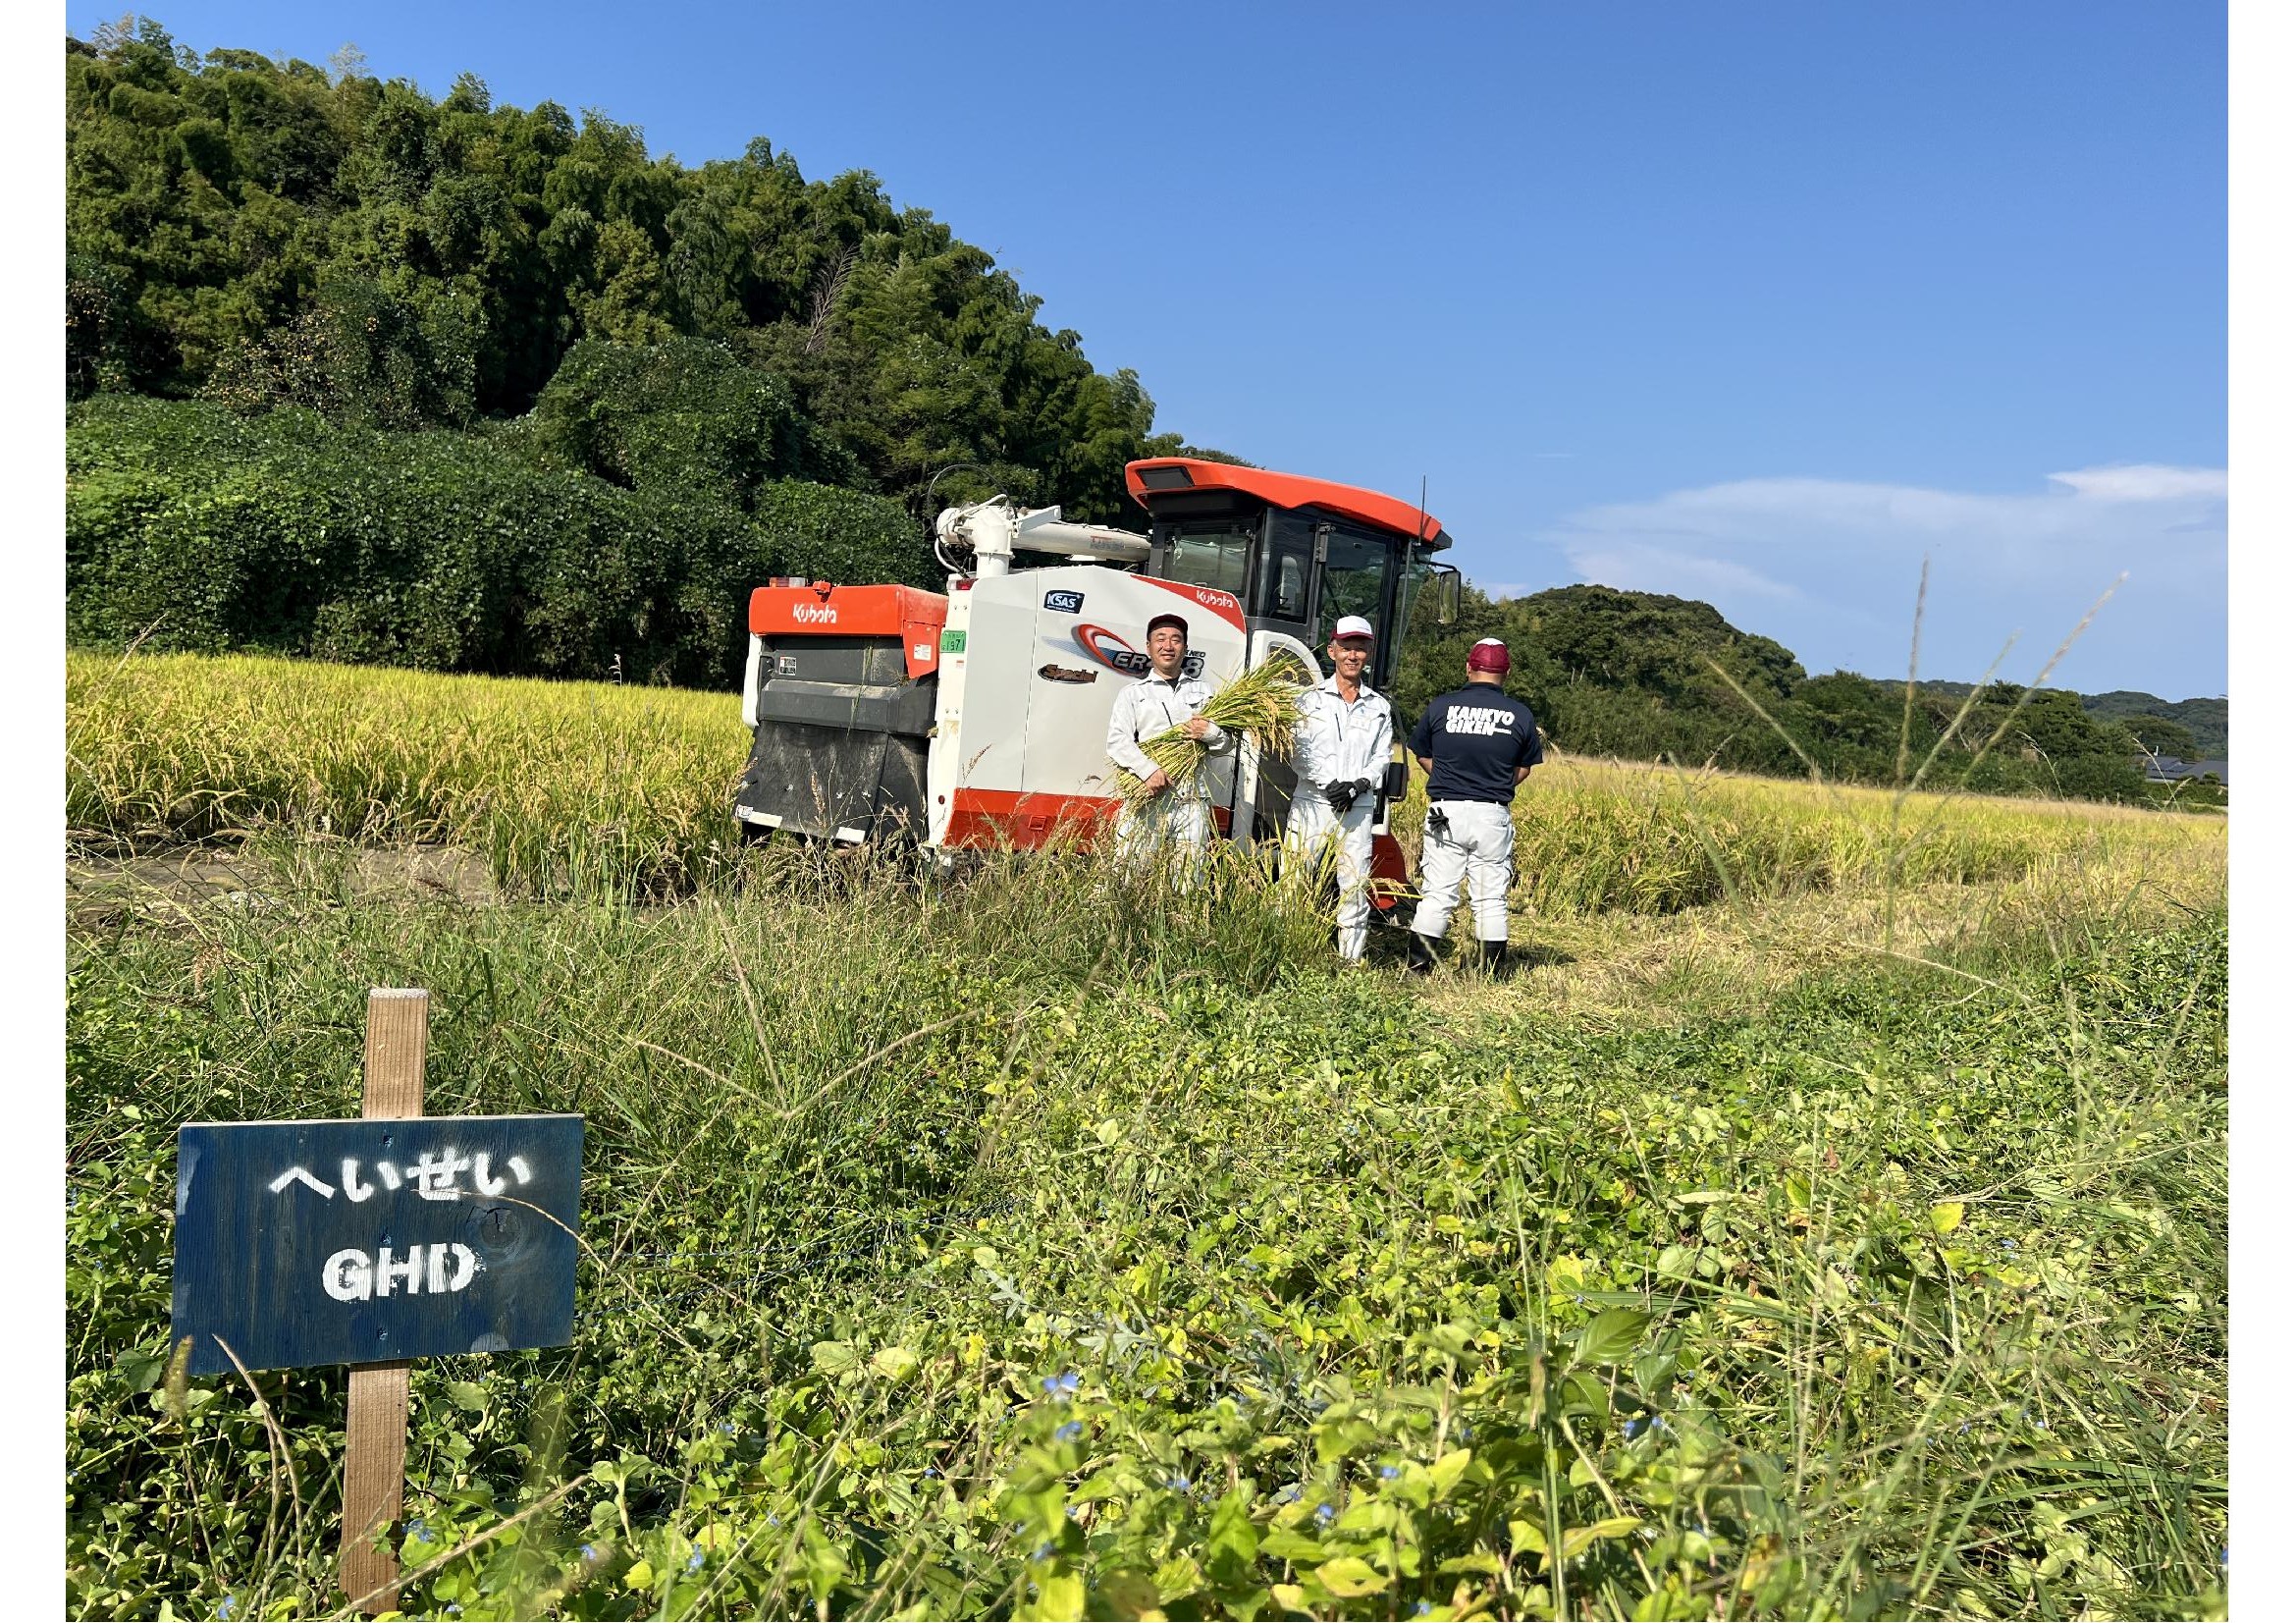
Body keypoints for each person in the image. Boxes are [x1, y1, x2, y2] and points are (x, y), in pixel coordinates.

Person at [1405, 637, 1542, 975]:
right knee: (1490, 897)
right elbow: (1524, 767)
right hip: (1491, 813)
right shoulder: (1520, 714)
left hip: (1445, 811)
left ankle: (1419, 967)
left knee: (1437, 893)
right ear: (1506, 673)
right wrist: (1496, 784)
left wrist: (1450, 780)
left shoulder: (1441, 707)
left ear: (1469, 667)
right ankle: (1491, 973)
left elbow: (1421, 752)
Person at [1286, 614, 1394, 963]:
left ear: (1368, 653)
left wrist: (1360, 784)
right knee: (1293, 878)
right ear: (1332, 650)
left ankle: (1350, 962)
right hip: (1312, 804)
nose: (1353, 655)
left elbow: (1382, 756)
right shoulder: (1308, 700)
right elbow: (1296, 751)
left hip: (1357, 809)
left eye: (1360, 649)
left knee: (1354, 885)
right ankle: (1283, 949)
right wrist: (1328, 783)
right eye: (1346, 647)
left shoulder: (1379, 707)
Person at [1104, 612, 1229, 875]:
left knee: (1188, 880)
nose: (1168, 645)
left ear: (1185, 647)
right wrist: (1147, 770)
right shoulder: (1133, 694)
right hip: (1148, 798)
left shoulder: (1206, 692)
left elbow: (1226, 746)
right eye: (1160, 639)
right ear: (1148, 647)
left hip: (1192, 801)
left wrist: (1211, 732)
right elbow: (1117, 741)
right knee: (1131, 875)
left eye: (1176, 639)